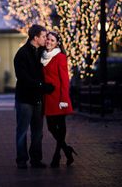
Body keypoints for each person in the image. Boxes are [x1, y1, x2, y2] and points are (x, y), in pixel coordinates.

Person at [14, 24, 54, 169]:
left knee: (38, 132)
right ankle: (21, 160)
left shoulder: (43, 53)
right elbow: (22, 78)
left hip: (38, 98)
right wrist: (41, 86)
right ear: (35, 37)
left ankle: (36, 159)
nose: (46, 39)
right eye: (43, 36)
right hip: (25, 98)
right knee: (22, 131)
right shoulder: (22, 54)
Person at [41, 31, 76, 167]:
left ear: (57, 44)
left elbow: (64, 80)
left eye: (52, 40)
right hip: (47, 97)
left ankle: (57, 155)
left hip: (58, 97)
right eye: (48, 39)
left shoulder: (60, 57)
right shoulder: (43, 56)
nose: (49, 42)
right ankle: (67, 150)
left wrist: (64, 99)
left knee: (60, 127)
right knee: (51, 127)